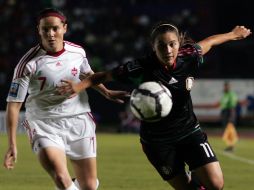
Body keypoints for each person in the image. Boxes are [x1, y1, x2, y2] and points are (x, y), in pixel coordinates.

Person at [57, 23, 251, 190]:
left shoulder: (189, 56)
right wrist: (80, 86)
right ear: (153, 46)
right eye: (161, 45)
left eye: (172, 44)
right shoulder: (141, 67)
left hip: (189, 131)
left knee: (216, 184)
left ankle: (197, 171)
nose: (167, 50)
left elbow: (209, 42)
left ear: (179, 45)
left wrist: (233, 35)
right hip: (157, 142)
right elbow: (102, 75)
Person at [3, 8, 127, 190]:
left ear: (65, 28)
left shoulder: (77, 52)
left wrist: (106, 92)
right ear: (38, 29)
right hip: (44, 123)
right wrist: (12, 144)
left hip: (78, 119)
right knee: (61, 178)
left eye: (55, 28)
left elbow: (88, 75)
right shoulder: (27, 64)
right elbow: (13, 106)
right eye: (45, 29)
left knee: (90, 185)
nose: (50, 34)